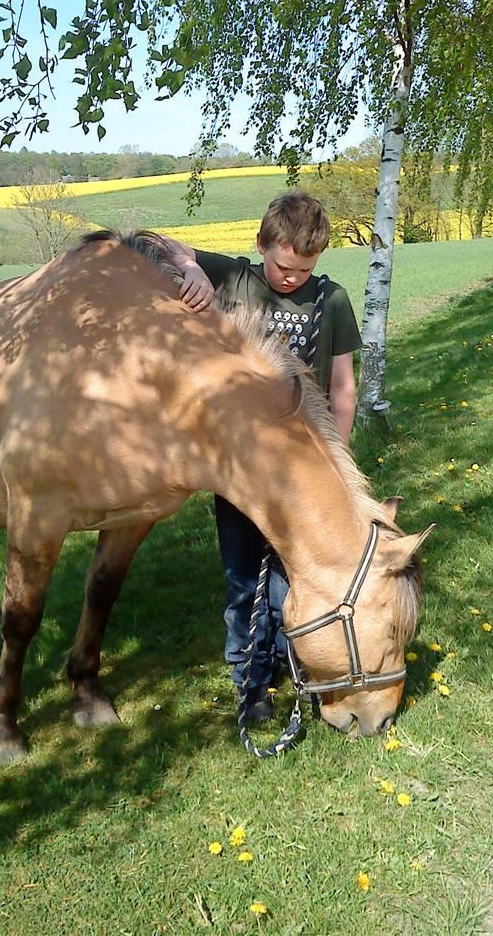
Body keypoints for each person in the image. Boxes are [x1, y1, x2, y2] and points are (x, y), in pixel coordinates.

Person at [165, 192, 362, 721]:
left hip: (304, 473)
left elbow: (343, 388)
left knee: (292, 574)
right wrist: (192, 270)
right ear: (260, 246)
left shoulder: (332, 300)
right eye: (281, 265)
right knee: (242, 575)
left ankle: (288, 662)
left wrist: (336, 465)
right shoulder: (237, 279)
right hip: (241, 471)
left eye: (304, 267)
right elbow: (162, 242)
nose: (291, 276)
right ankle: (249, 679)